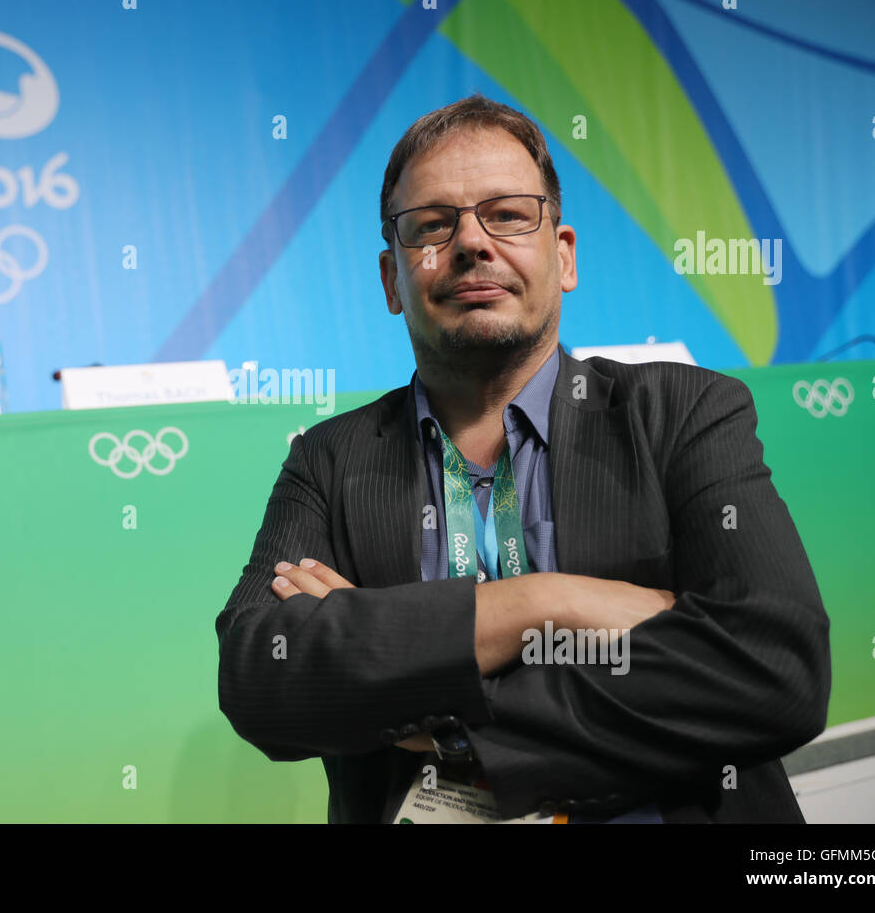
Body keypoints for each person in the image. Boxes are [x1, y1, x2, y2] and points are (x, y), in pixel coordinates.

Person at [214, 93, 831, 823]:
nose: (473, 243)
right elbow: (260, 675)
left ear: (562, 256)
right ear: (391, 280)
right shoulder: (328, 459)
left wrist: (437, 715)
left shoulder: (683, 412)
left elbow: (774, 669)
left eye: (507, 214)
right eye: (433, 225)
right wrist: (551, 602)